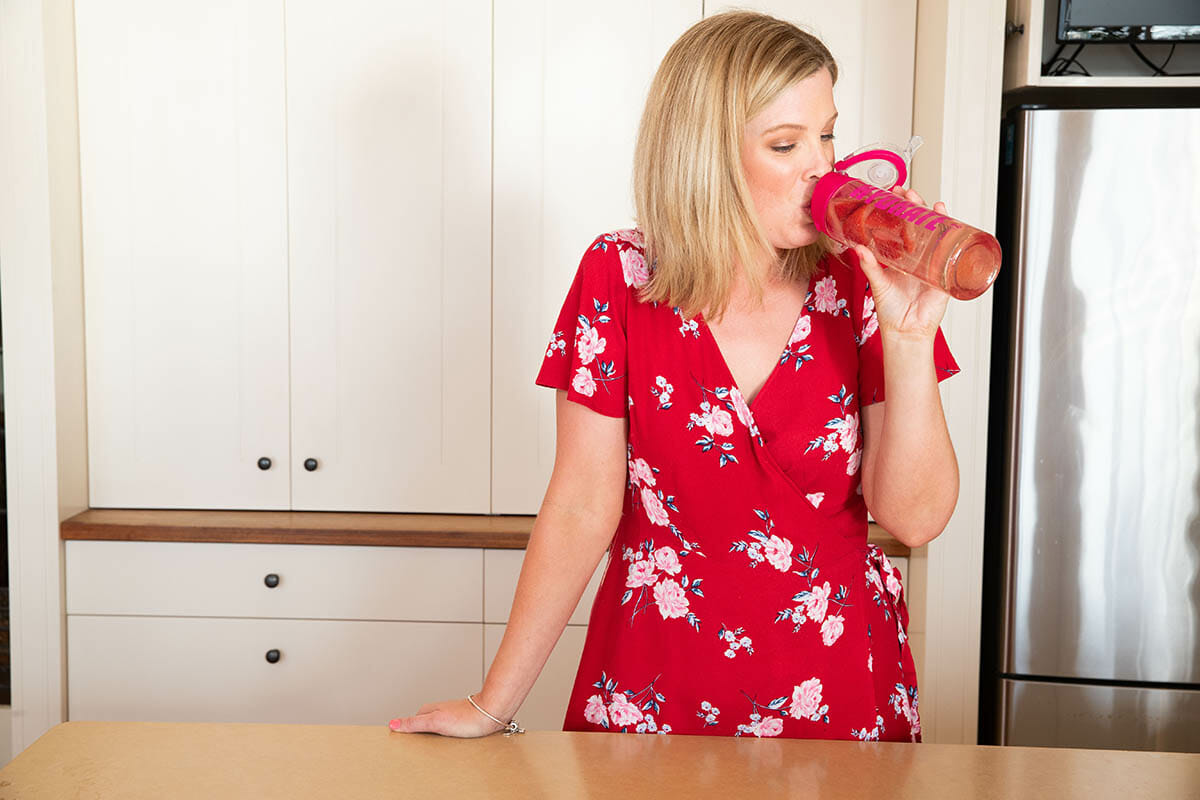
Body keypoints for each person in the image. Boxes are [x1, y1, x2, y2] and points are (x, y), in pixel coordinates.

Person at [389, 10, 958, 742]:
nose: (825, 169)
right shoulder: (619, 275)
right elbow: (579, 508)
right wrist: (492, 705)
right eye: (787, 144)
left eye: (828, 135)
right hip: (652, 692)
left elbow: (917, 519)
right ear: (706, 154)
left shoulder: (861, 283)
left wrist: (911, 338)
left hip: (837, 690)